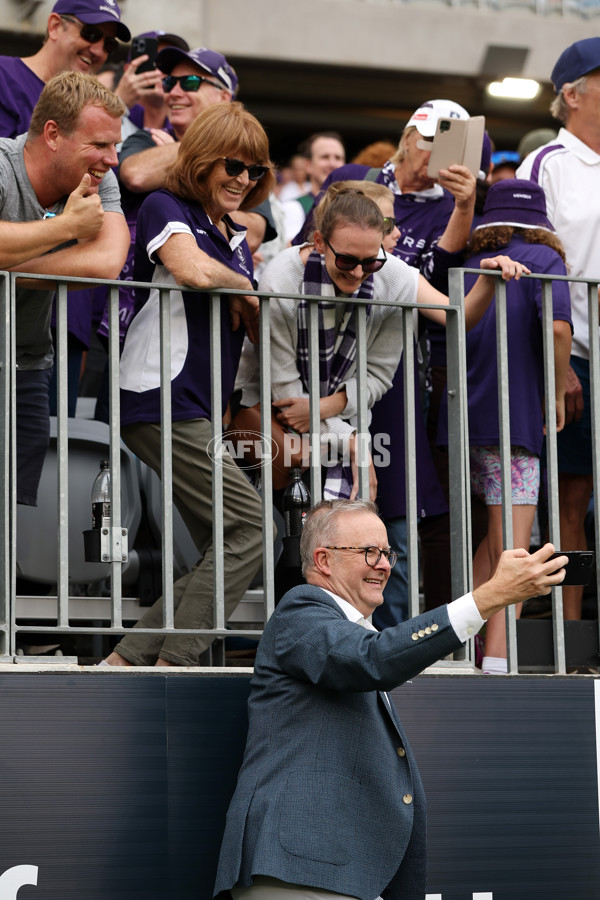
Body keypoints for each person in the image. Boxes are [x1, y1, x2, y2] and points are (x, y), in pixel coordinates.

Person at [213, 498, 569, 900]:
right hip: (300, 872)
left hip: (337, 875)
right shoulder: (300, 611)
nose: (383, 564)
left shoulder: (350, 632)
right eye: (368, 552)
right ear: (323, 560)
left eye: (386, 553)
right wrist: (486, 598)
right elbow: (374, 659)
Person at [102, 102, 276, 668]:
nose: (243, 179)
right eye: (232, 164)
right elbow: (192, 270)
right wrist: (244, 291)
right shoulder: (164, 204)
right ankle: (170, 665)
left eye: (254, 171)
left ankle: (127, 662)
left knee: (227, 545)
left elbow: (243, 310)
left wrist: (243, 292)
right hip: (161, 397)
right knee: (251, 531)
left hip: (197, 407)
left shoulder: (232, 233)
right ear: (201, 160)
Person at [437, 179, 572, 673]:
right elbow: (558, 328)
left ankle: (461, 648)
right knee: (512, 549)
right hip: (513, 418)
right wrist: (557, 391)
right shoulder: (544, 261)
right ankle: (494, 662)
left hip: (464, 418)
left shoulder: (472, 262)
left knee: (492, 543)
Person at [0, 71, 129, 505]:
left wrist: (8, 267)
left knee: (11, 515)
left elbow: (106, 262)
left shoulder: (98, 176)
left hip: (26, 364)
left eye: (116, 145)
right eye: (99, 144)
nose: (112, 159)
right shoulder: (2, 164)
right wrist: (69, 227)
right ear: (53, 134)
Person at [517, 36, 600, 621]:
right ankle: (572, 637)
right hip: (579, 352)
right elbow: (529, 264)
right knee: (571, 496)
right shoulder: (546, 162)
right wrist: (558, 360)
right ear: (571, 95)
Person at [0, 0, 131, 139]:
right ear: (55, 26)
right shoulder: (4, 76)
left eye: (109, 44)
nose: (98, 51)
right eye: (91, 33)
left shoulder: (90, 106)